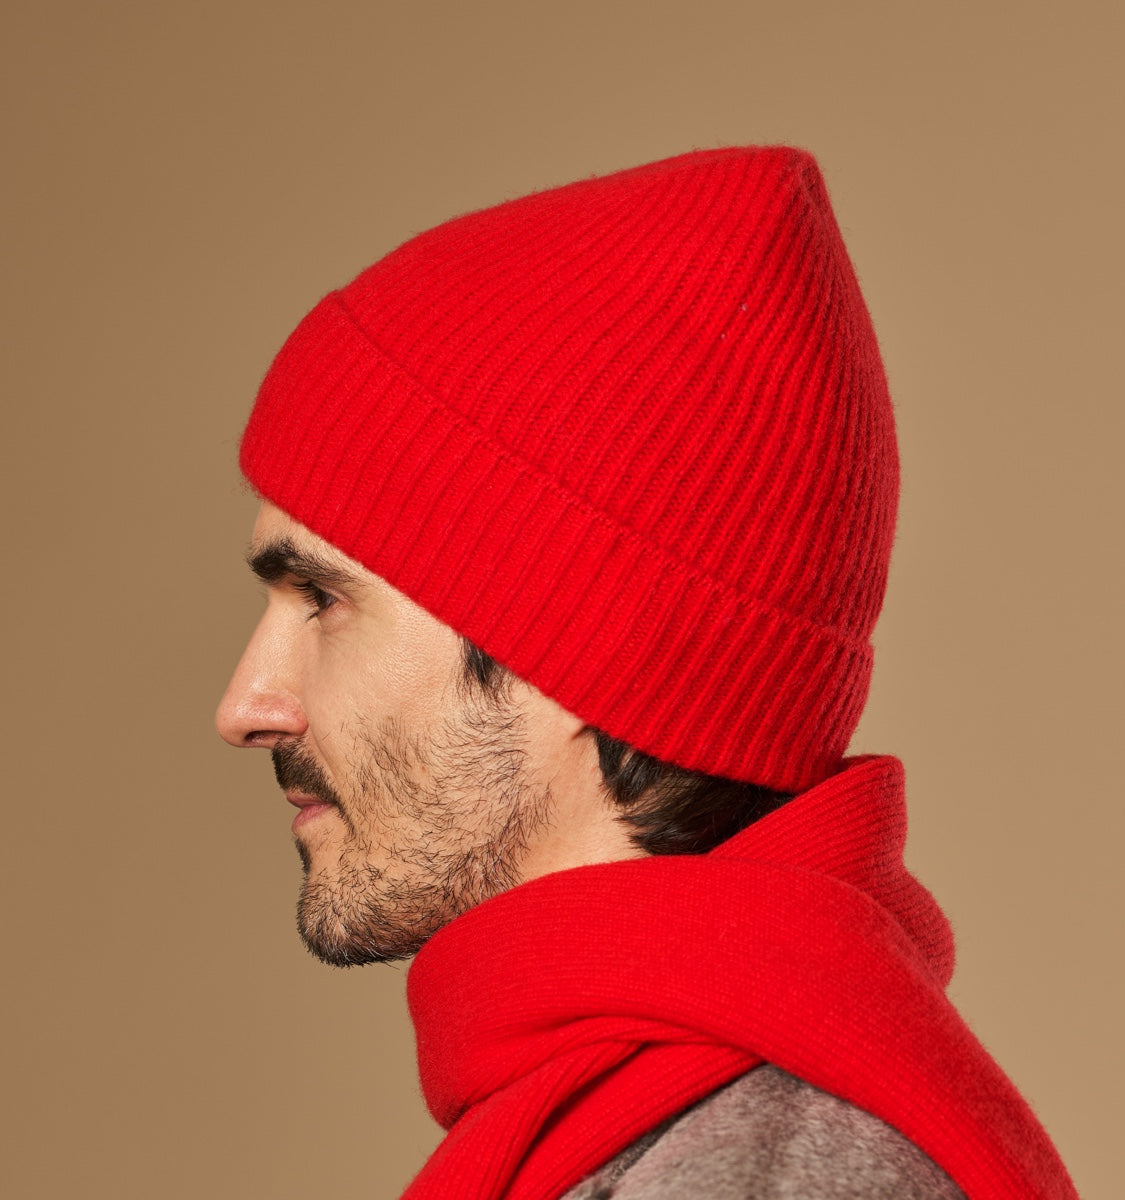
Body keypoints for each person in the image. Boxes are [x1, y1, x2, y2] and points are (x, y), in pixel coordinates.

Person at [217, 147, 1078, 1199]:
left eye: (322, 598)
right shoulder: (634, 1125)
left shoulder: (752, 1177)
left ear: (580, 646)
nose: (245, 706)